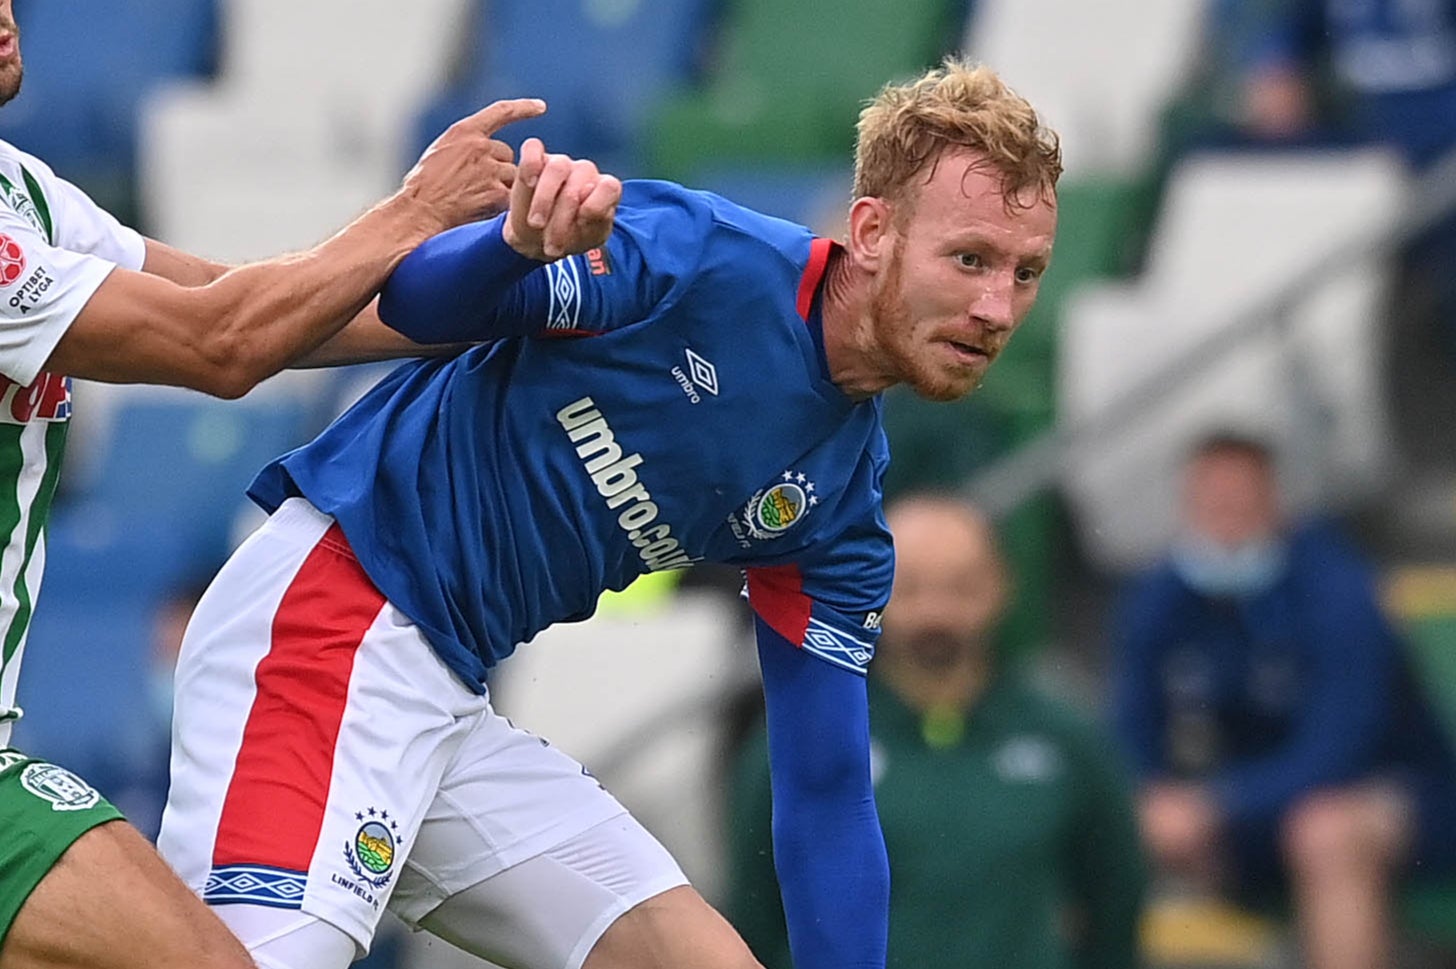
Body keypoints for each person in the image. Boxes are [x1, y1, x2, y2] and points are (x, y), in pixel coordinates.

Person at [155, 57, 1062, 969]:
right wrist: (515, 244)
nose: (997, 307)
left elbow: (825, 792)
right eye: (971, 259)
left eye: (1026, 273)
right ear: (871, 230)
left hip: (442, 690)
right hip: (326, 623)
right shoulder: (697, 259)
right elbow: (416, 299)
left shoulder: (840, 510)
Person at [0, 2, 555, 966]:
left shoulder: (22, 194)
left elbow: (237, 298)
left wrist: (529, 294)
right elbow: (218, 343)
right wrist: (414, 209)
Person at [726, 493, 1146, 969]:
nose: (936, 613)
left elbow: (1117, 899)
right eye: (911, 589)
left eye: (960, 587)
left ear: (1001, 586)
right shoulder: (799, 739)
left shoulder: (1068, 736)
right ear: (871, 587)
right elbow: (753, 911)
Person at [1111, 430, 1456, 969]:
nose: (1226, 516)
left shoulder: (1339, 592)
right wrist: (1152, 801)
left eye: (1241, 500)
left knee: (1325, 831)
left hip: (1391, 797)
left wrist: (1217, 806)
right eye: (1212, 500)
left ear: (1276, 503)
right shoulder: (1161, 597)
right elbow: (1129, 731)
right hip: (1244, 805)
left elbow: (1338, 751)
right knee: (1105, 821)